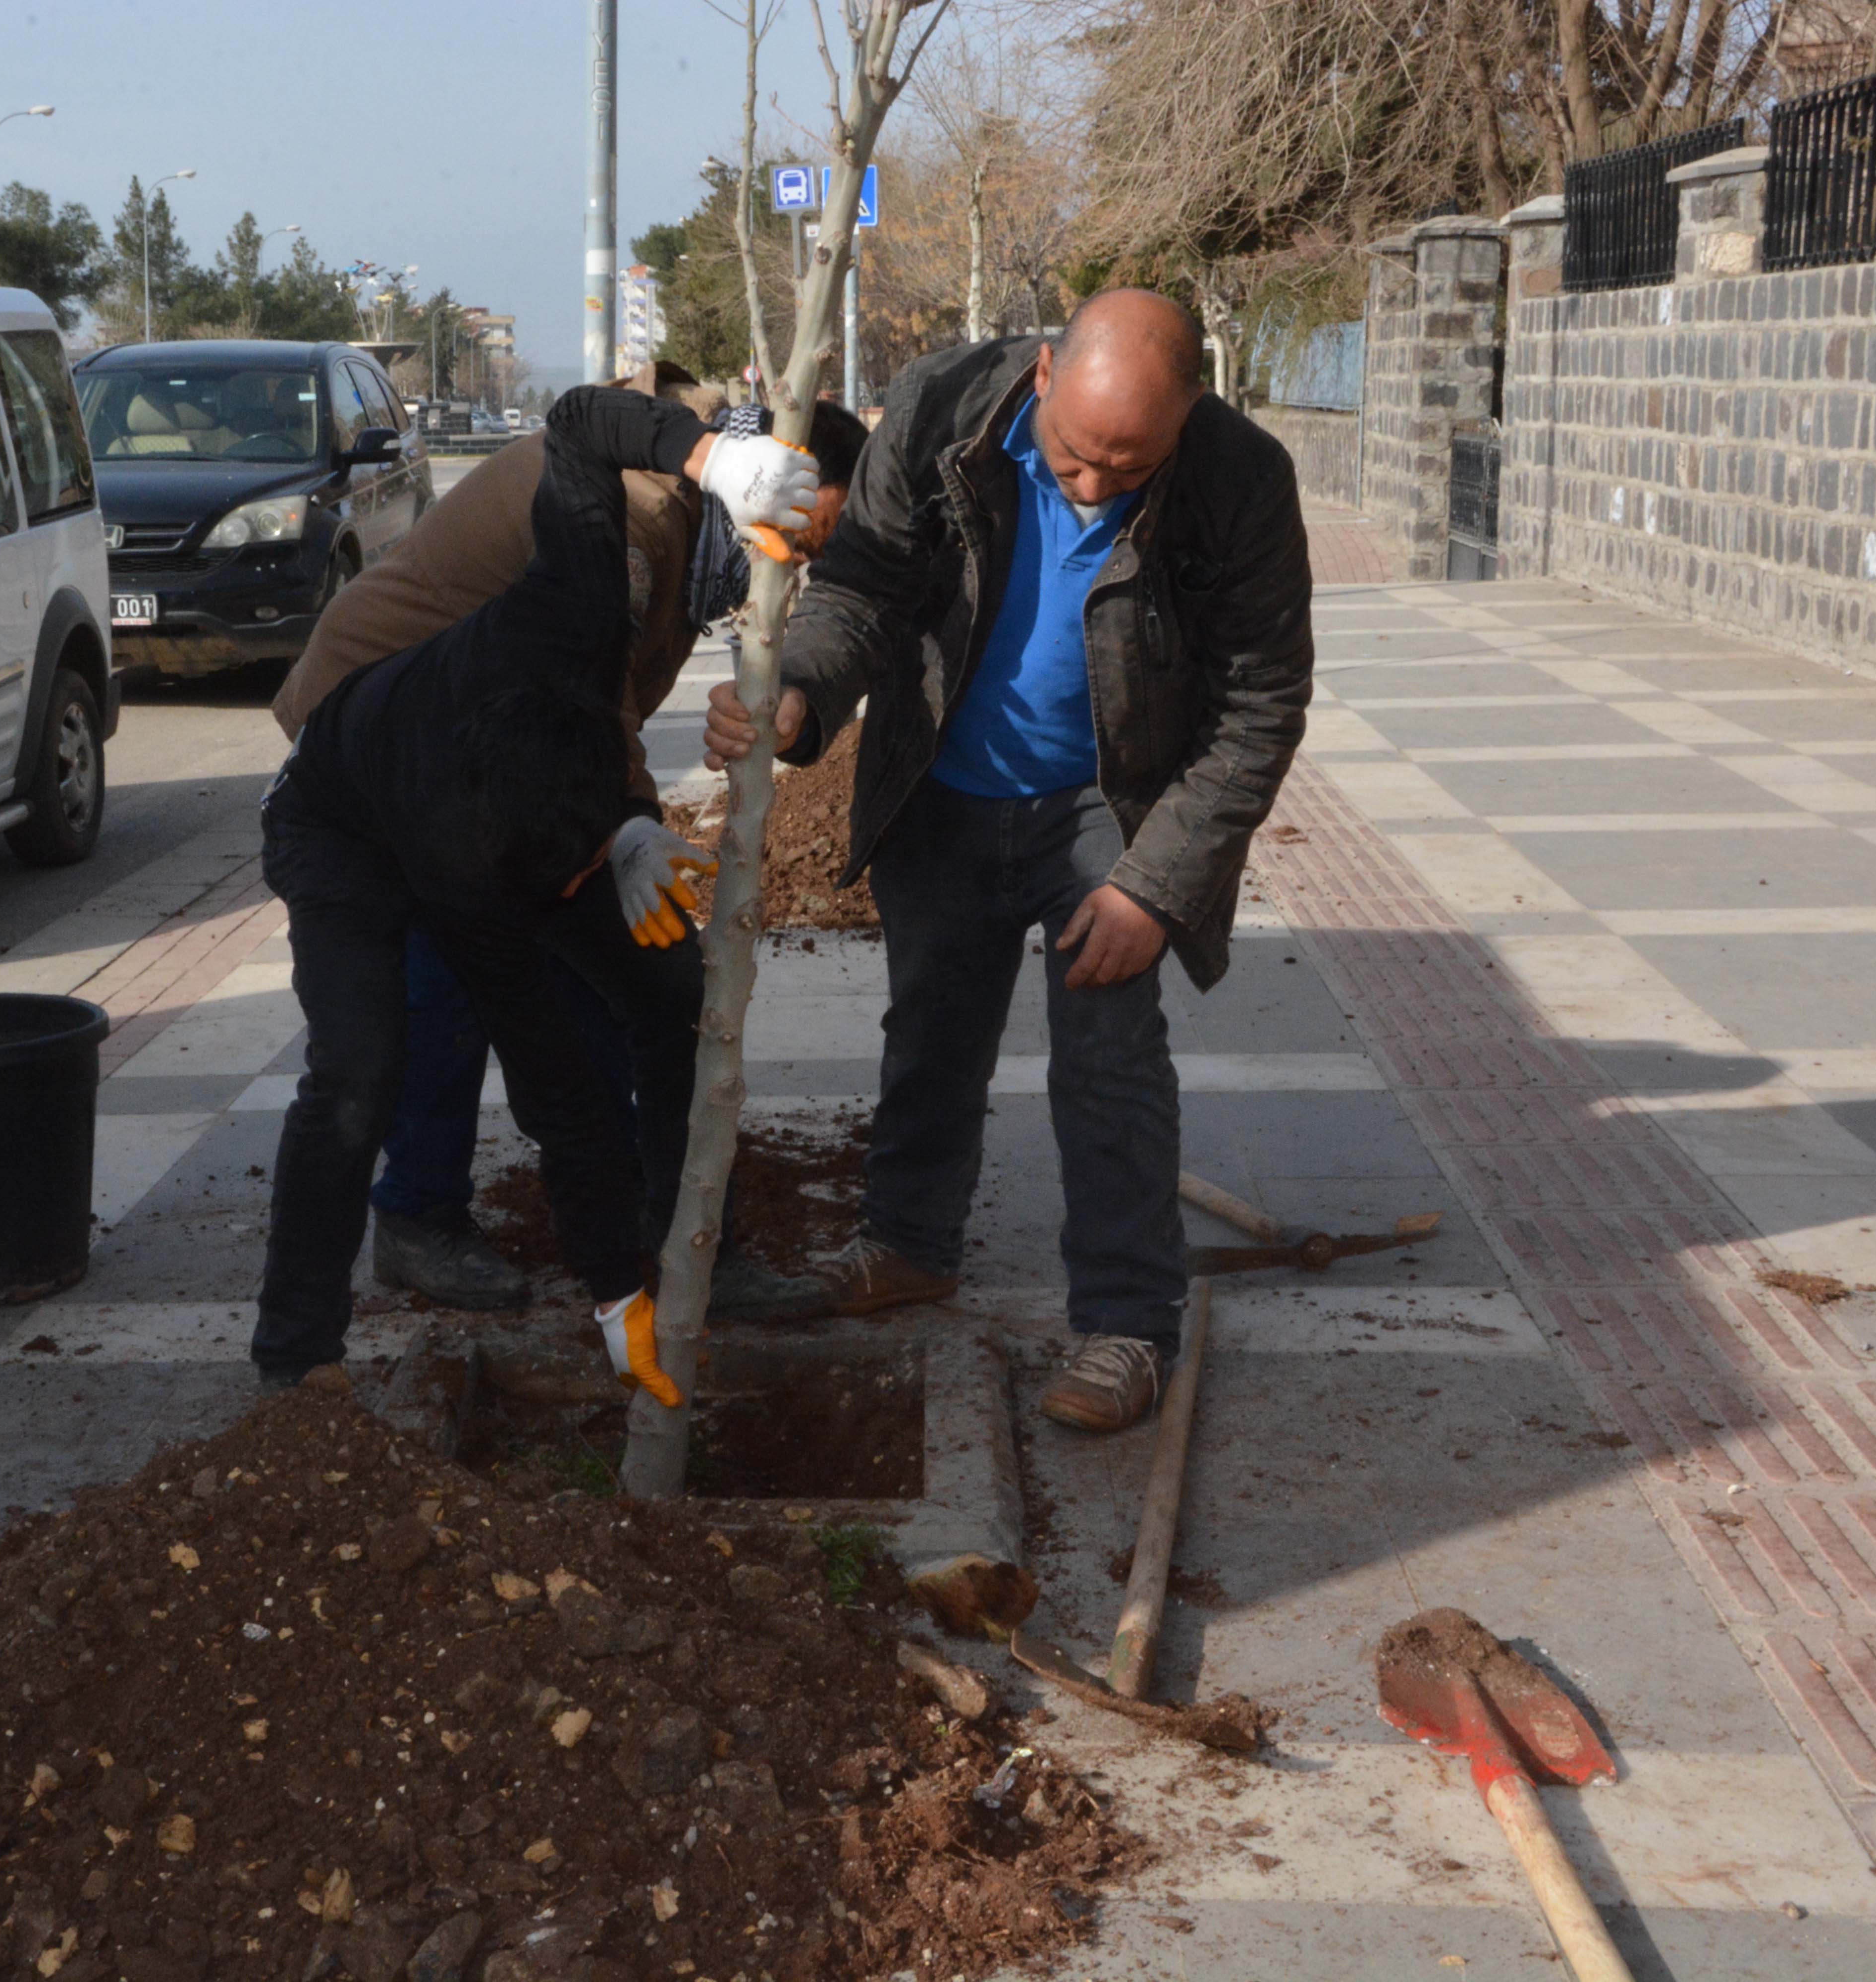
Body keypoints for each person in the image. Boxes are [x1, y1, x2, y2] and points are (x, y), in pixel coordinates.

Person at [702, 289, 1316, 1434]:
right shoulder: (939, 408)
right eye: (1078, 457)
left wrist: (1153, 883)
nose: (1094, 488)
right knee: (931, 1024)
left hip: (1110, 795)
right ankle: (910, 1241)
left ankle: (1129, 1321)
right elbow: (864, 590)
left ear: (1191, 414)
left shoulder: (1240, 478)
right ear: (1043, 379)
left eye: (1130, 468)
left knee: (1109, 1052)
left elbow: (1261, 702)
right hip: (940, 774)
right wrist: (798, 693)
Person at [254, 384, 818, 1393]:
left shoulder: (582, 578)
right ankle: (298, 1360)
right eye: (564, 888)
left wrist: (716, 459)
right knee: (360, 1067)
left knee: (657, 971)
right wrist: (612, 1295)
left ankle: (680, 1239)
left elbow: (576, 424)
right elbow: (554, 1088)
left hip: (510, 775)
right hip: (338, 819)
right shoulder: (475, 886)